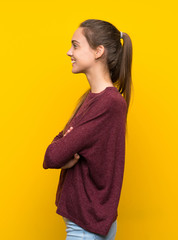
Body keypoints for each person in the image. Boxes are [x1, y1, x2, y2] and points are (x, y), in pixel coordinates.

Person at [43, 19, 133, 240]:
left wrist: (65, 148)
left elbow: (53, 155)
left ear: (98, 51)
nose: (68, 52)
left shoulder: (108, 103)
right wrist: (65, 146)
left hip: (86, 229)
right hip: (87, 225)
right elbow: (58, 149)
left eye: (76, 45)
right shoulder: (92, 99)